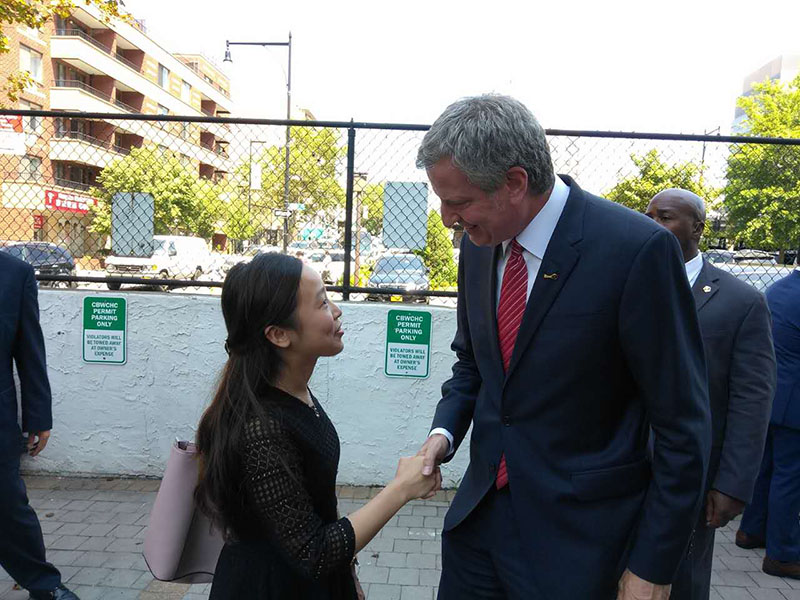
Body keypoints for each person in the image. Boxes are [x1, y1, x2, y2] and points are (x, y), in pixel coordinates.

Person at [415, 95, 711, 600]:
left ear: (514, 182)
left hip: (580, 544)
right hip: (479, 529)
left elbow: (683, 422)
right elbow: (474, 363)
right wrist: (442, 434)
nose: (446, 219)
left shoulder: (635, 251)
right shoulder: (478, 248)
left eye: (459, 202)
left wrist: (653, 565)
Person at [194, 252, 439, 599]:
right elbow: (314, 551)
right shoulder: (261, 429)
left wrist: (348, 574)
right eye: (322, 303)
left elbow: (317, 504)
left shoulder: (295, 392)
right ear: (279, 334)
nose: (337, 311)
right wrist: (401, 489)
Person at [645, 189, 776, 599]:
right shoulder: (624, 283)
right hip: (615, 467)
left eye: (664, 217)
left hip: (690, 477)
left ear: (698, 228)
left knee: (679, 582)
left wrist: (733, 484)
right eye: (646, 216)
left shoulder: (741, 302)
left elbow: (751, 399)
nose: (652, 225)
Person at [0, 251, 79, 600]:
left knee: (8, 504)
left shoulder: (15, 274)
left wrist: (38, 417)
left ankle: (43, 584)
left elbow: (29, 349)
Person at [737, 255, 800, 579]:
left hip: (774, 397)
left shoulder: (782, 287)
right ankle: (783, 554)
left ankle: (751, 530)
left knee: (768, 471)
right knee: (790, 479)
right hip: (794, 404)